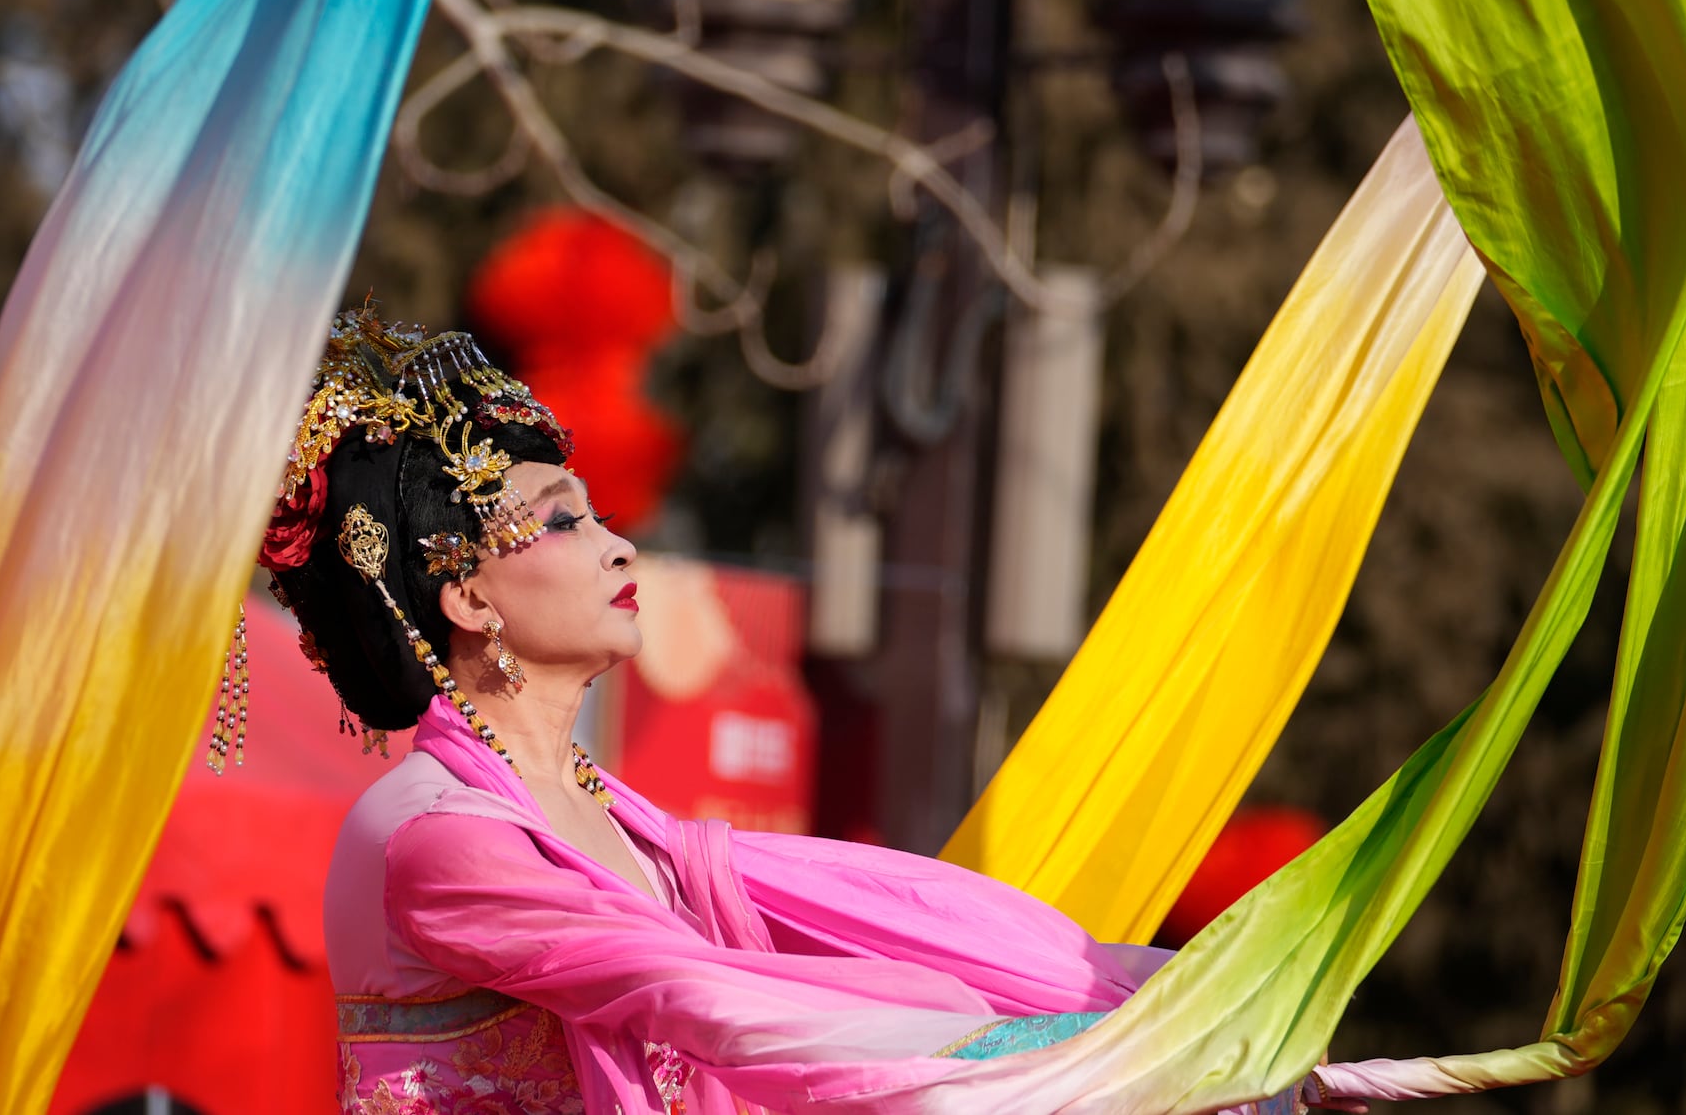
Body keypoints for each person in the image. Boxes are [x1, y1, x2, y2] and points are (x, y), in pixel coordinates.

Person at [266, 305, 1348, 1115]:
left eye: (599, 514)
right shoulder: (436, 837)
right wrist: (1094, 1054)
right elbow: (719, 1002)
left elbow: (801, 979)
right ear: (465, 596)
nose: (618, 543)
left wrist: (1180, 1009)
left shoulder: (621, 822)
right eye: (560, 525)